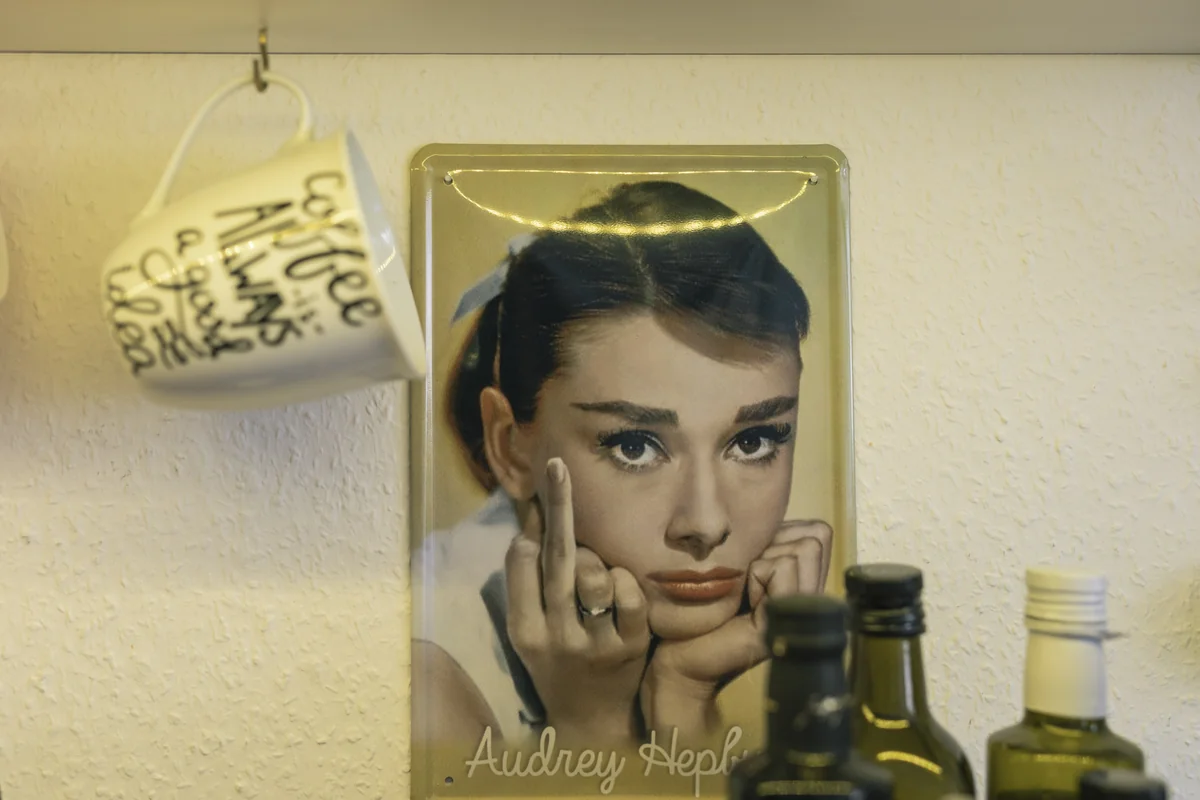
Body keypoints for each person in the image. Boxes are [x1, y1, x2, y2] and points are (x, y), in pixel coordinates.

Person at [411, 180, 833, 753]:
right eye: (635, 447)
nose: (706, 524)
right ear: (510, 446)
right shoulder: (428, 685)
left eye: (754, 441)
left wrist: (684, 695)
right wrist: (594, 728)